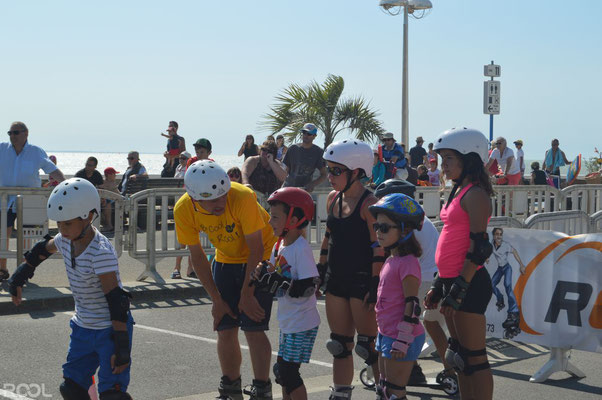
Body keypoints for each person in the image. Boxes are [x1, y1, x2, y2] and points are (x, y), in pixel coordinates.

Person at [7, 178, 134, 399]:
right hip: (83, 328)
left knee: (112, 394)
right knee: (72, 388)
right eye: (59, 223)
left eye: (67, 223)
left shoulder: (100, 252)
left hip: (110, 329)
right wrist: (19, 276)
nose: (61, 229)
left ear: (89, 216)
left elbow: (116, 299)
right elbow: (41, 250)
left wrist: (121, 348)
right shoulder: (65, 239)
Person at [174, 161, 278, 400]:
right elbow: (197, 255)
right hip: (226, 258)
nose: (221, 203)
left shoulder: (242, 196)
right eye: (212, 200)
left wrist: (247, 294)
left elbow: (256, 248)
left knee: (253, 327)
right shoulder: (183, 209)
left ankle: (262, 389)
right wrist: (216, 300)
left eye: (223, 196)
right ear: (194, 198)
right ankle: (230, 388)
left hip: (261, 257)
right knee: (225, 327)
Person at [425, 127, 494, 400]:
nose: (444, 166)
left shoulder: (475, 194)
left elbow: (480, 248)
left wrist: (459, 287)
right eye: (443, 159)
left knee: (475, 358)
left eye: (449, 159)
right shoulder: (458, 190)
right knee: (459, 357)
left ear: (469, 159)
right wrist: (440, 284)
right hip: (452, 279)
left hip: (470, 282)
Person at [318, 140, 384, 400]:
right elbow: (328, 237)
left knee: (370, 347)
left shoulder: (370, 204)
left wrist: (375, 284)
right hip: (336, 279)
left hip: (361, 282)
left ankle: (385, 392)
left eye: (336, 171)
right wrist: (320, 269)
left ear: (356, 172)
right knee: (339, 345)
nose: (329, 176)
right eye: (328, 169)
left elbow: (378, 248)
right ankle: (341, 394)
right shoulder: (333, 199)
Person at [374, 179, 455, 387]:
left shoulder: (407, 229)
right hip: (432, 275)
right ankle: (449, 368)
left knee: (409, 318)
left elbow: (409, 302)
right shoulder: (417, 220)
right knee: (431, 323)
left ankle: (416, 368)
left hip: (426, 277)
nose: (379, 230)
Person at [252, 187, 320, 400]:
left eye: (274, 217)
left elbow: (310, 286)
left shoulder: (300, 248)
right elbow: (273, 277)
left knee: (288, 374)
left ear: (294, 219)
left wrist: (281, 281)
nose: (270, 222)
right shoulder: (279, 245)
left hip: (302, 322)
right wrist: (262, 274)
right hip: (289, 320)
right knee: (282, 372)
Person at [368, 193, 426, 400]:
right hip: (388, 333)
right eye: (377, 227)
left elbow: (412, 304)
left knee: (394, 390)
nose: (378, 232)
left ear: (405, 230)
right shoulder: (392, 259)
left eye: (384, 228)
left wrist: (403, 339)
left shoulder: (408, 263)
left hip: (402, 336)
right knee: (384, 387)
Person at [0, 121, 65, 281]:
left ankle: (23, 269)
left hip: (29, 201)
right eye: (10, 133)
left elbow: (53, 170)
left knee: (27, 237)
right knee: (2, 236)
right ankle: (2, 270)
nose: (12, 136)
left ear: (25, 133)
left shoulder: (36, 152)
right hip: (4, 200)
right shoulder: (2, 149)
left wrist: (65, 186)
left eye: (16, 132)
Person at [490, 228, 526, 338]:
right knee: (491, 284)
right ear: (493, 235)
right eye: (497, 234)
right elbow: (488, 252)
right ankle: (500, 298)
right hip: (500, 269)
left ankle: (513, 312)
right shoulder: (491, 245)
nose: (499, 236)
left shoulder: (505, 245)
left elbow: (514, 252)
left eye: (500, 234)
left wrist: (521, 265)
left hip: (506, 268)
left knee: (507, 286)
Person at [281, 123, 327, 193]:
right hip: (288, 188)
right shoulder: (292, 149)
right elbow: (285, 171)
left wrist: (312, 184)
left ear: (314, 136)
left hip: (304, 191)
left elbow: (324, 174)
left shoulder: (318, 152)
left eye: (309, 134)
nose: (306, 135)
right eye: (304, 133)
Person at [98, 167, 121, 232]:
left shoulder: (102, 183)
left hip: (107, 201)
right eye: (114, 174)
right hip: (110, 201)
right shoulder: (111, 184)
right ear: (109, 175)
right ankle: (109, 225)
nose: (115, 176)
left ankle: (107, 225)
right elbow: (118, 195)